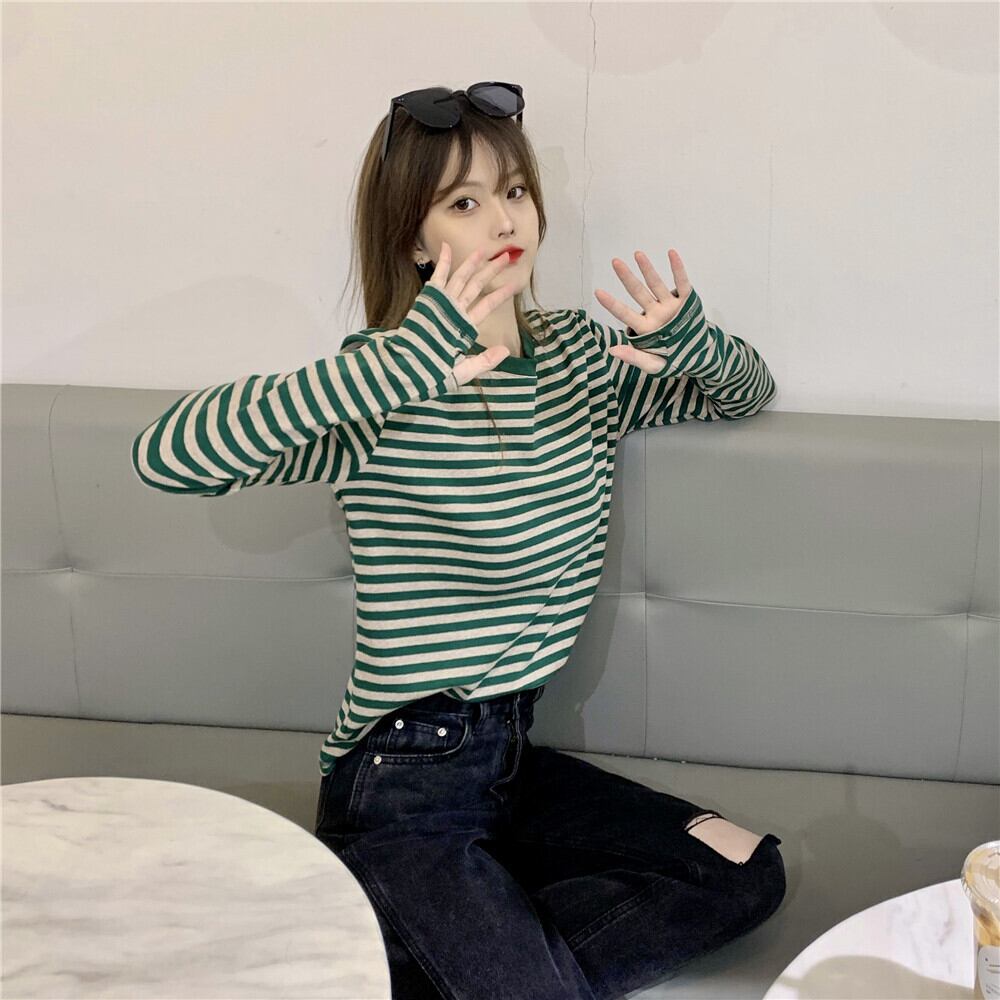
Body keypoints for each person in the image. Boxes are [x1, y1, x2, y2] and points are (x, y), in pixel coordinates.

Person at [131, 81, 785, 1000]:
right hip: (402, 778)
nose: (503, 220)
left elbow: (742, 391)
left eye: (514, 191)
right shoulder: (379, 385)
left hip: (511, 763)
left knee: (741, 870)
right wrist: (403, 359)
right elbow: (168, 457)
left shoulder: (578, 360)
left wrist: (689, 338)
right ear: (413, 238)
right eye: (463, 203)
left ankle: (415, 960)